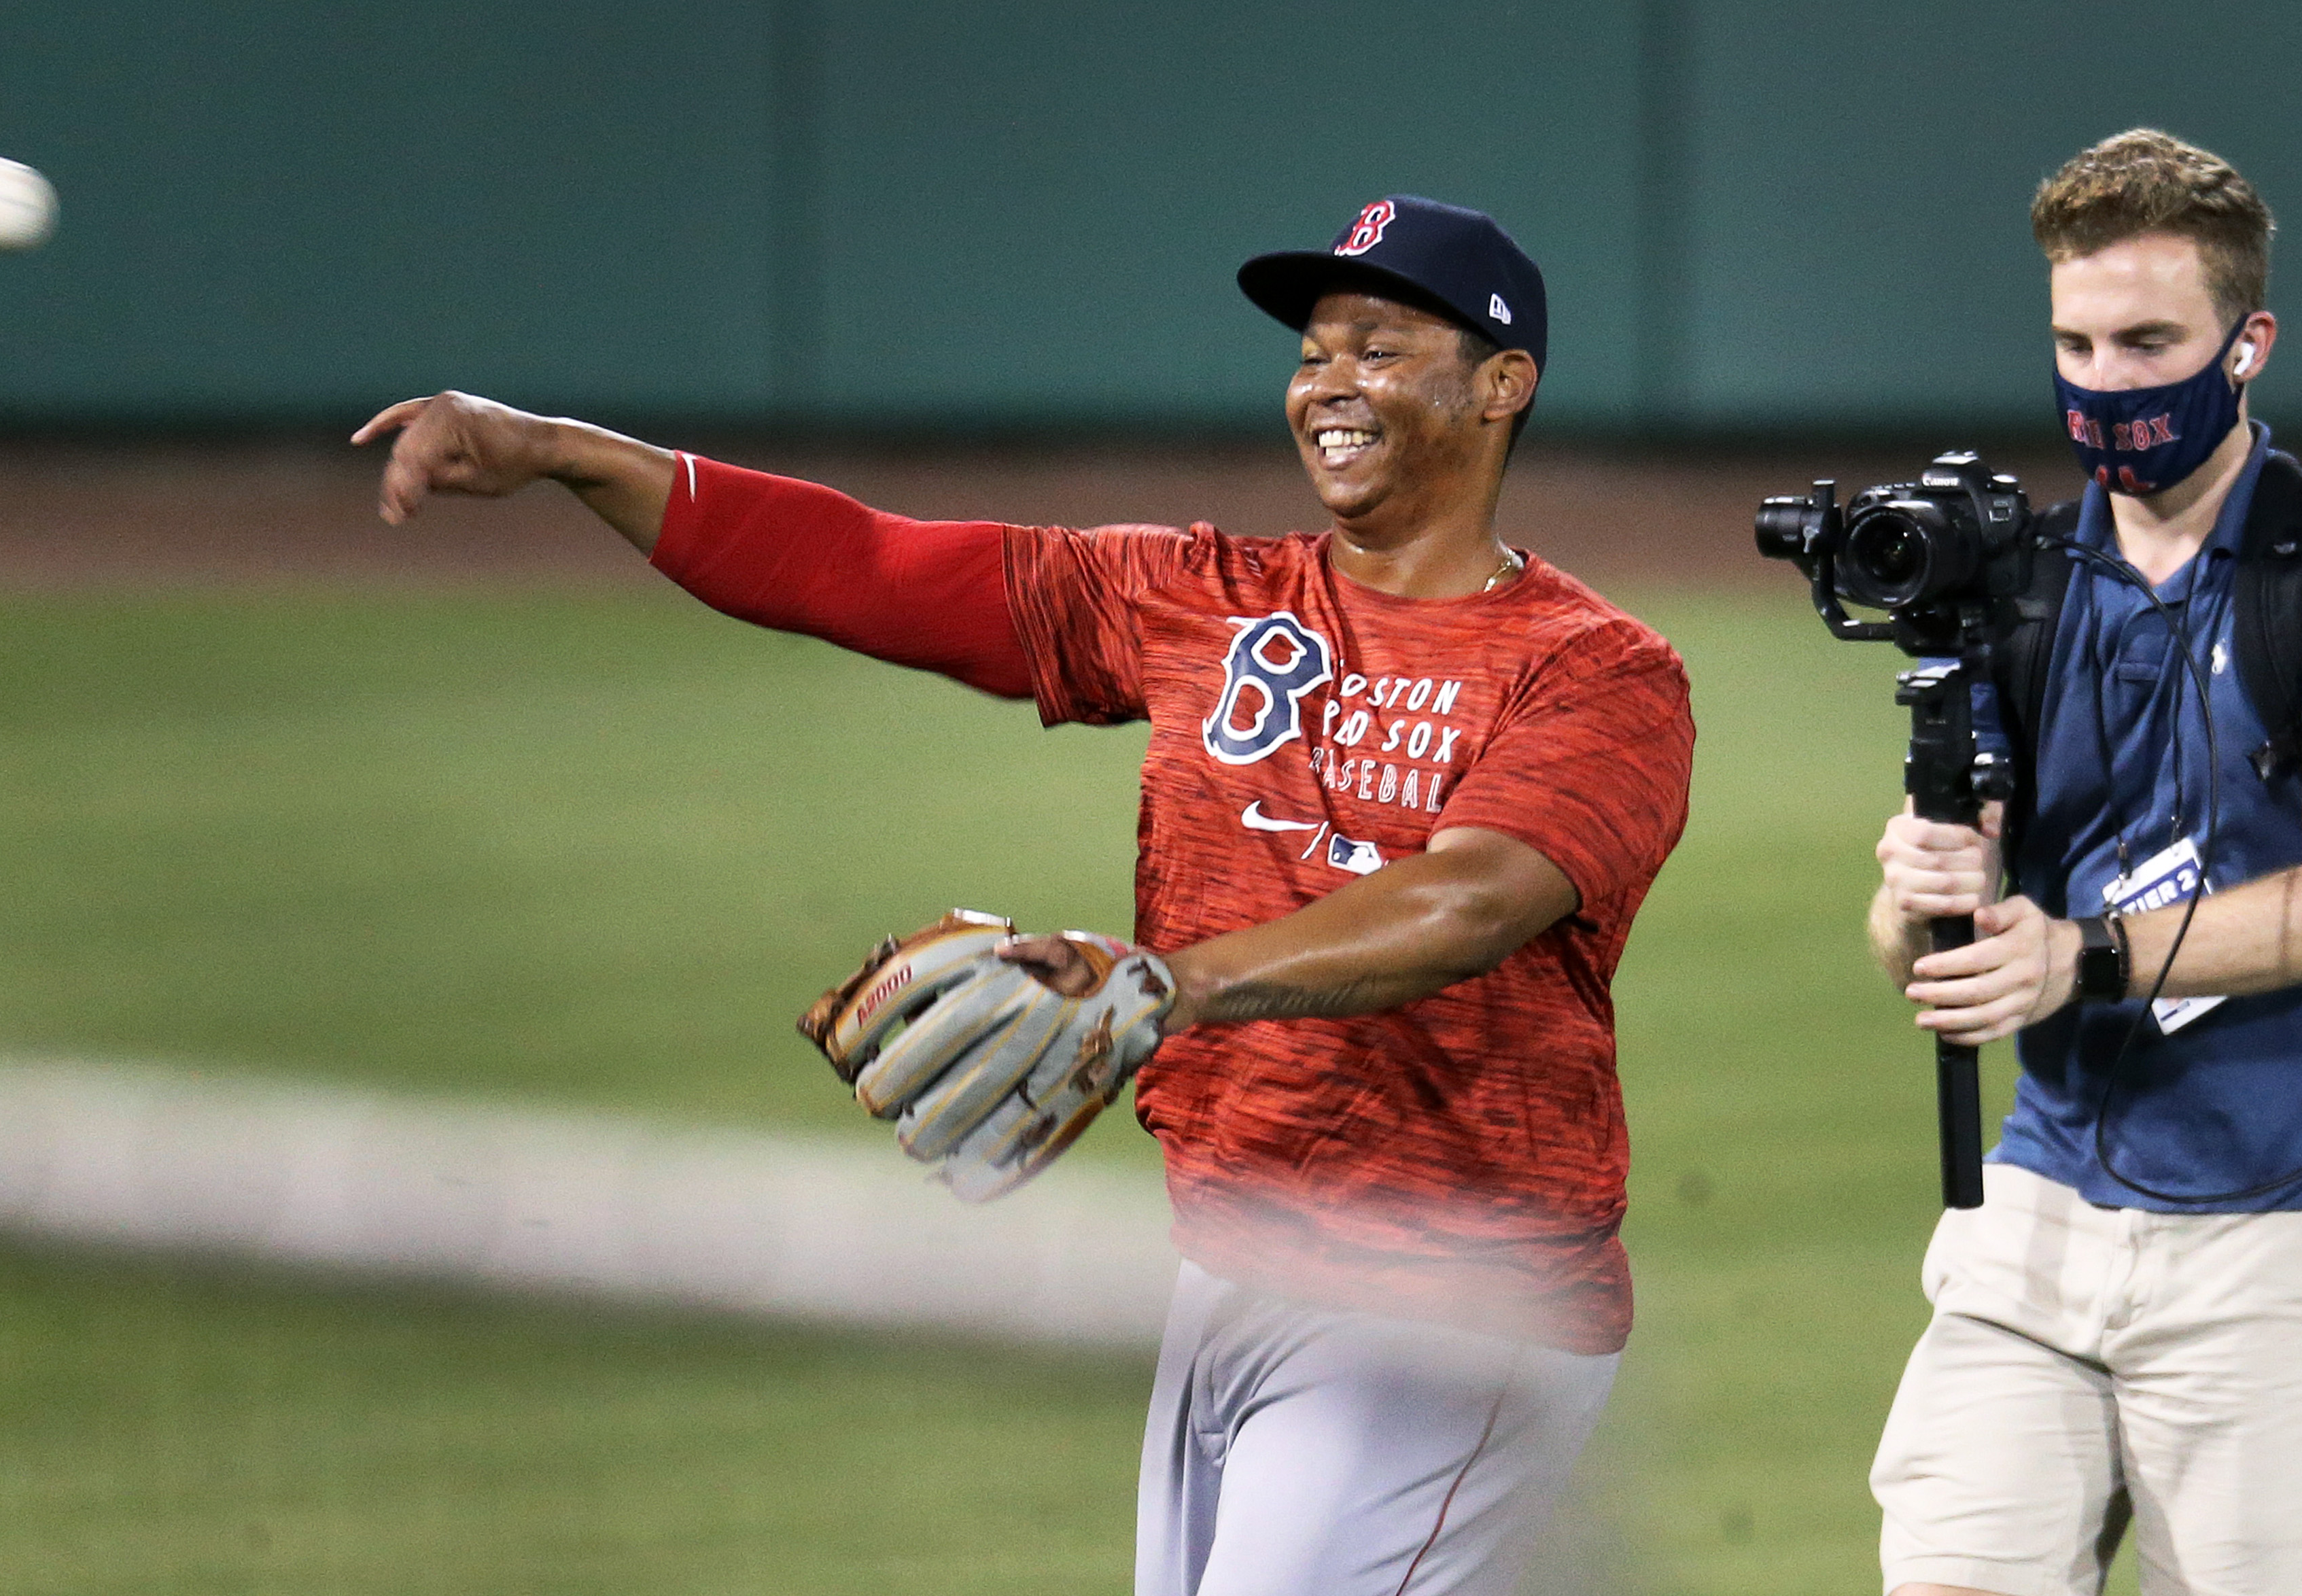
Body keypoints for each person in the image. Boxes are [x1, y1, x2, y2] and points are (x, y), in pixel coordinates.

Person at [355, 195, 1692, 1596]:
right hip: (1224, 1269)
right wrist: (560, 450)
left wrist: (1176, 982)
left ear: (1499, 385)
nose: (1328, 384)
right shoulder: (1198, 596)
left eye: (1376, 344)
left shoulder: (1595, 672)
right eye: (1311, 350)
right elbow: (862, 567)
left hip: (1453, 1312)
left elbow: (1472, 900)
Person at [1868, 130, 2302, 1596]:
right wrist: (1923, 901)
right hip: (2032, 1225)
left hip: (2270, 1244)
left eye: (2145, 340)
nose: (2104, 379)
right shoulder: (2019, 588)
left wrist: (2088, 954)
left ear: (2244, 344)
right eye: (2073, 341)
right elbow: (1919, 946)